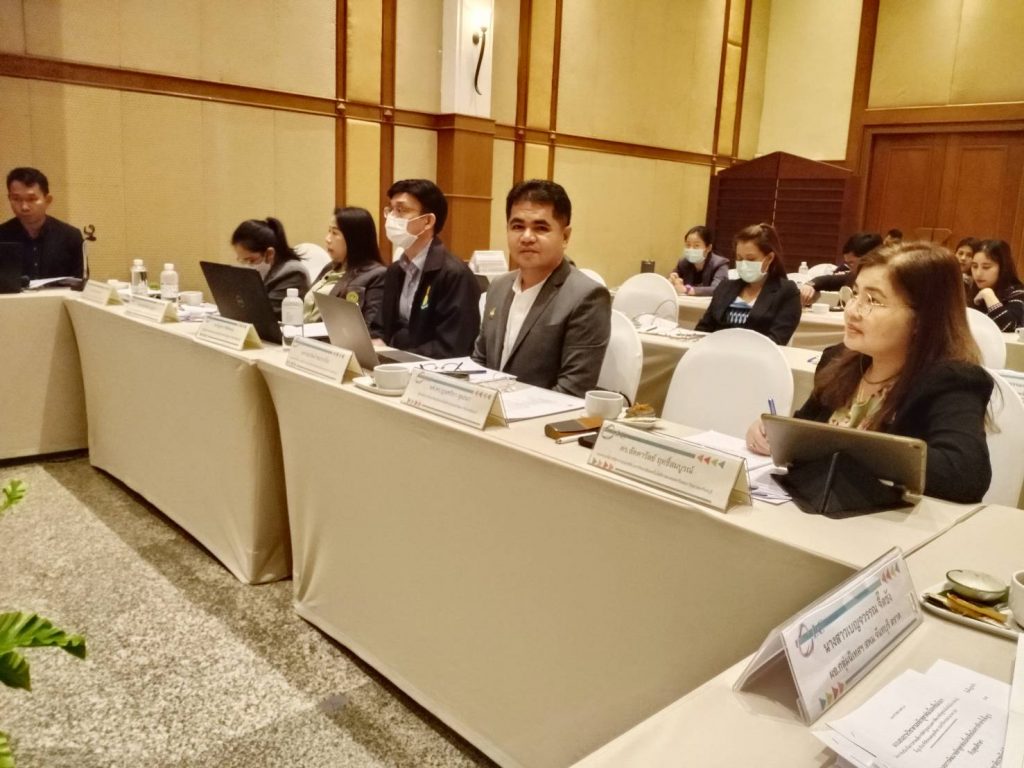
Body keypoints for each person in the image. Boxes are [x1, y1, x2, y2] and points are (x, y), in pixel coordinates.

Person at [746, 241, 992, 504]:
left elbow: (965, 473)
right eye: (855, 294)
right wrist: (775, 434)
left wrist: (847, 448)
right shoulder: (837, 360)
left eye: (873, 300)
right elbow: (806, 432)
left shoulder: (952, 379)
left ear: (922, 318)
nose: (852, 311)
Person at [472, 180, 611, 397]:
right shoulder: (498, 286)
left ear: (565, 236)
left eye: (541, 228)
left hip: (543, 415)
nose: (526, 237)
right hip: (488, 409)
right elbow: (479, 362)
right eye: (517, 227)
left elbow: (572, 390)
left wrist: (504, 409)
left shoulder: (587, 296)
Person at [378, 179, 481, 357]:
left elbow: (452, 346)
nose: (392, 218)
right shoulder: (395, 270)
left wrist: (397, 357)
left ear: (427, 221)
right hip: (392, 363)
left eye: (401, 210)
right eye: (391, 210)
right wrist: (375, 341)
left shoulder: (454, 274)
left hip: (430, 369)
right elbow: (381, 325)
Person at [695, 223, 801, 345]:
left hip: (757, 355)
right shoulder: (725, 287)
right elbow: (703, 329)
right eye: (739, 259)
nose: (743, 264)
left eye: (751, 259)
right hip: (715, 352)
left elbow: (776, 340)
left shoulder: (787, 292)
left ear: (769, 258)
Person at [303, 207, 386, 329]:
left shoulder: (377, 275)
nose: (327, 239)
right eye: (329, 231)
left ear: (354, 238)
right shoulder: (330, 267)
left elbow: (370, 327)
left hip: (333, 339)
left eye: (335, 233)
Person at [0, 167, 83, 280]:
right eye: (16, 199)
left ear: (47, 200)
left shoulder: (70, 237)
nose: (24, 207)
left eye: (31, 199)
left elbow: (80, 283)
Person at [230, 217, 310, 320]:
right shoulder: (265, 271)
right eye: (242, 260)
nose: (247, 266)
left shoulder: (293, 273)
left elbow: (262, 314)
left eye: (250, 260)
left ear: (269, 254)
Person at [799, 232, 883, 306]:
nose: (848, 267)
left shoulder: (884, 285)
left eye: (851, 263)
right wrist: (809, 285)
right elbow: (825, 280)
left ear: (869, 259)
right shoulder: (852, 276)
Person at [969, 239, 1024, 331]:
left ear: (1003, 268)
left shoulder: (1018, 293)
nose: (978, 273)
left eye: (986, 267)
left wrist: (988, 295)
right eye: (974, 266)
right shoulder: (969, 289)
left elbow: (1008, 326)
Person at [668, 225, 728, 297]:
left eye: (696, 246)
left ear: (708, 248)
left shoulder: (720, 264)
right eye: (688, 245)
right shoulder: (683, 262)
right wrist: (673, 280)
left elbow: (717, 289)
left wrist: (687, 289)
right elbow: (673, 278)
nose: (691, 249)